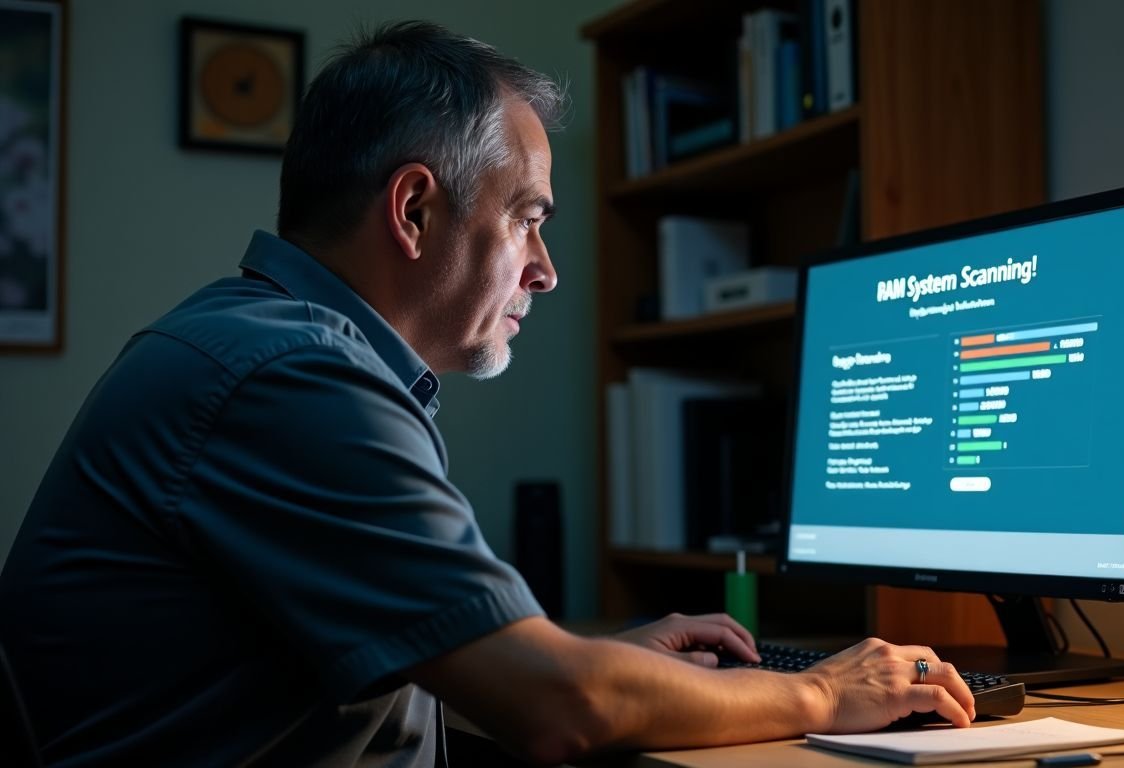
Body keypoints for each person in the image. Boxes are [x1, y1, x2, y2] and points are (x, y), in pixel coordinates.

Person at [0, 21, 975, 766]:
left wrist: (600, 660)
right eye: (527, 220)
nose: (546, 270)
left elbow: (428, 668)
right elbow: (559, 708)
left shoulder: (258, 344)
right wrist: (826, 694)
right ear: (415, 209)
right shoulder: (295, 380)